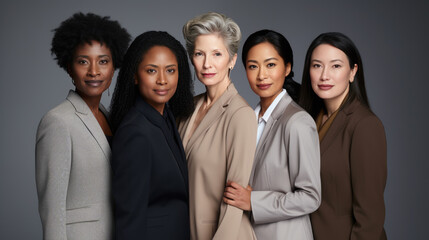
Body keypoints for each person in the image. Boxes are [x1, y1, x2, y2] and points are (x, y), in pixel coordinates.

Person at [35, 12, 130, 239]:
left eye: (103, 61)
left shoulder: (112, 119)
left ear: (114, 66)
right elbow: (52, 209)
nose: (94, 71)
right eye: (83, 61)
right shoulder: (57, 122)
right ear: (69, 67)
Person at [223, 29, 321, 239]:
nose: (261, 75)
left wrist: (254, 201)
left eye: (270, 65)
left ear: (287, 68)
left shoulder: (297, 122)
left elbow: (310, 197)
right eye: (252, 66)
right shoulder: (248, 118)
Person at [299, 32, 387, 239]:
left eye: (336, 66)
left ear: (352, 71)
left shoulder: (365, 125)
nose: (324, 76)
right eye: (317, 65)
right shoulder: (307, 120)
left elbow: (370, 219)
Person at [109, 31, 194, 239]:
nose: (162, 80)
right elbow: (130, 216)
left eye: (171, 70)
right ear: (135, 76)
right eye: (151, 71)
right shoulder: (135, 132)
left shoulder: (166, 119)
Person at [179, 12, 257, 240]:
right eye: (199, 54)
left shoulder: (240, 115)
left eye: (217, 54)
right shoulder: (188, 108)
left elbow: (235, 201)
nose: (207, 64)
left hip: (225, 234)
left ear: (232, 60)